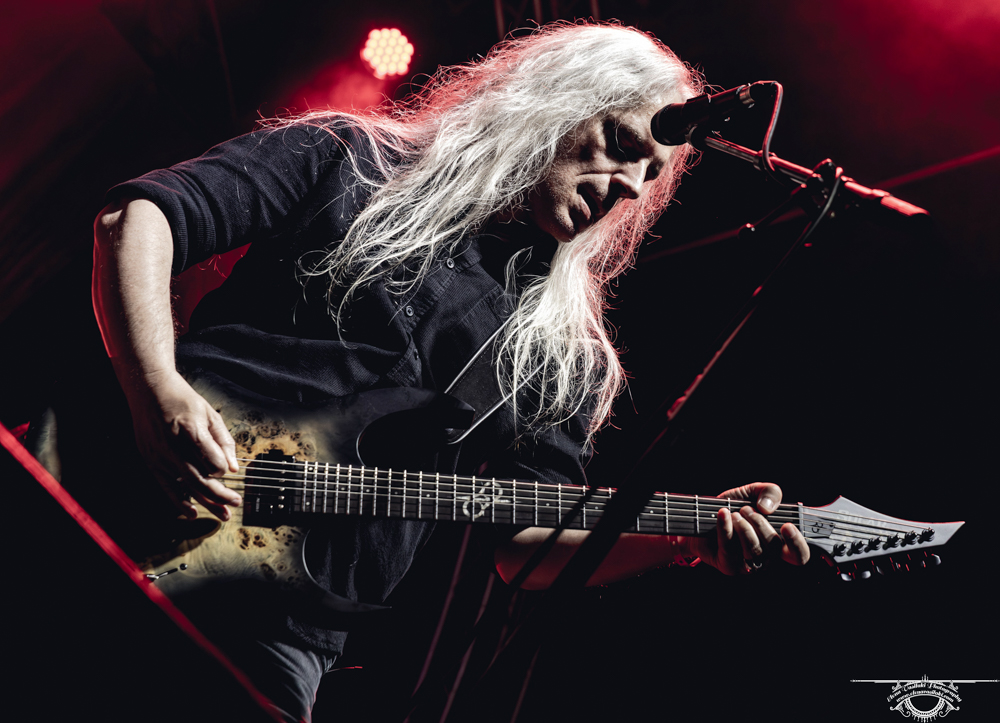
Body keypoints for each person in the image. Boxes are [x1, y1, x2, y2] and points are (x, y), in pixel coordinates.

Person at [92, 22, 809, 722]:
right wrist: (154, 387)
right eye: (622, 145)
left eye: (649, 176)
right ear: (558, 102)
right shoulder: (349, 158)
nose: (627, 186)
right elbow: (140, 218)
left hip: (282, 629)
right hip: (121, 490)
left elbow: (526, 547)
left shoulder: (562, 352)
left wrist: (684, 538)